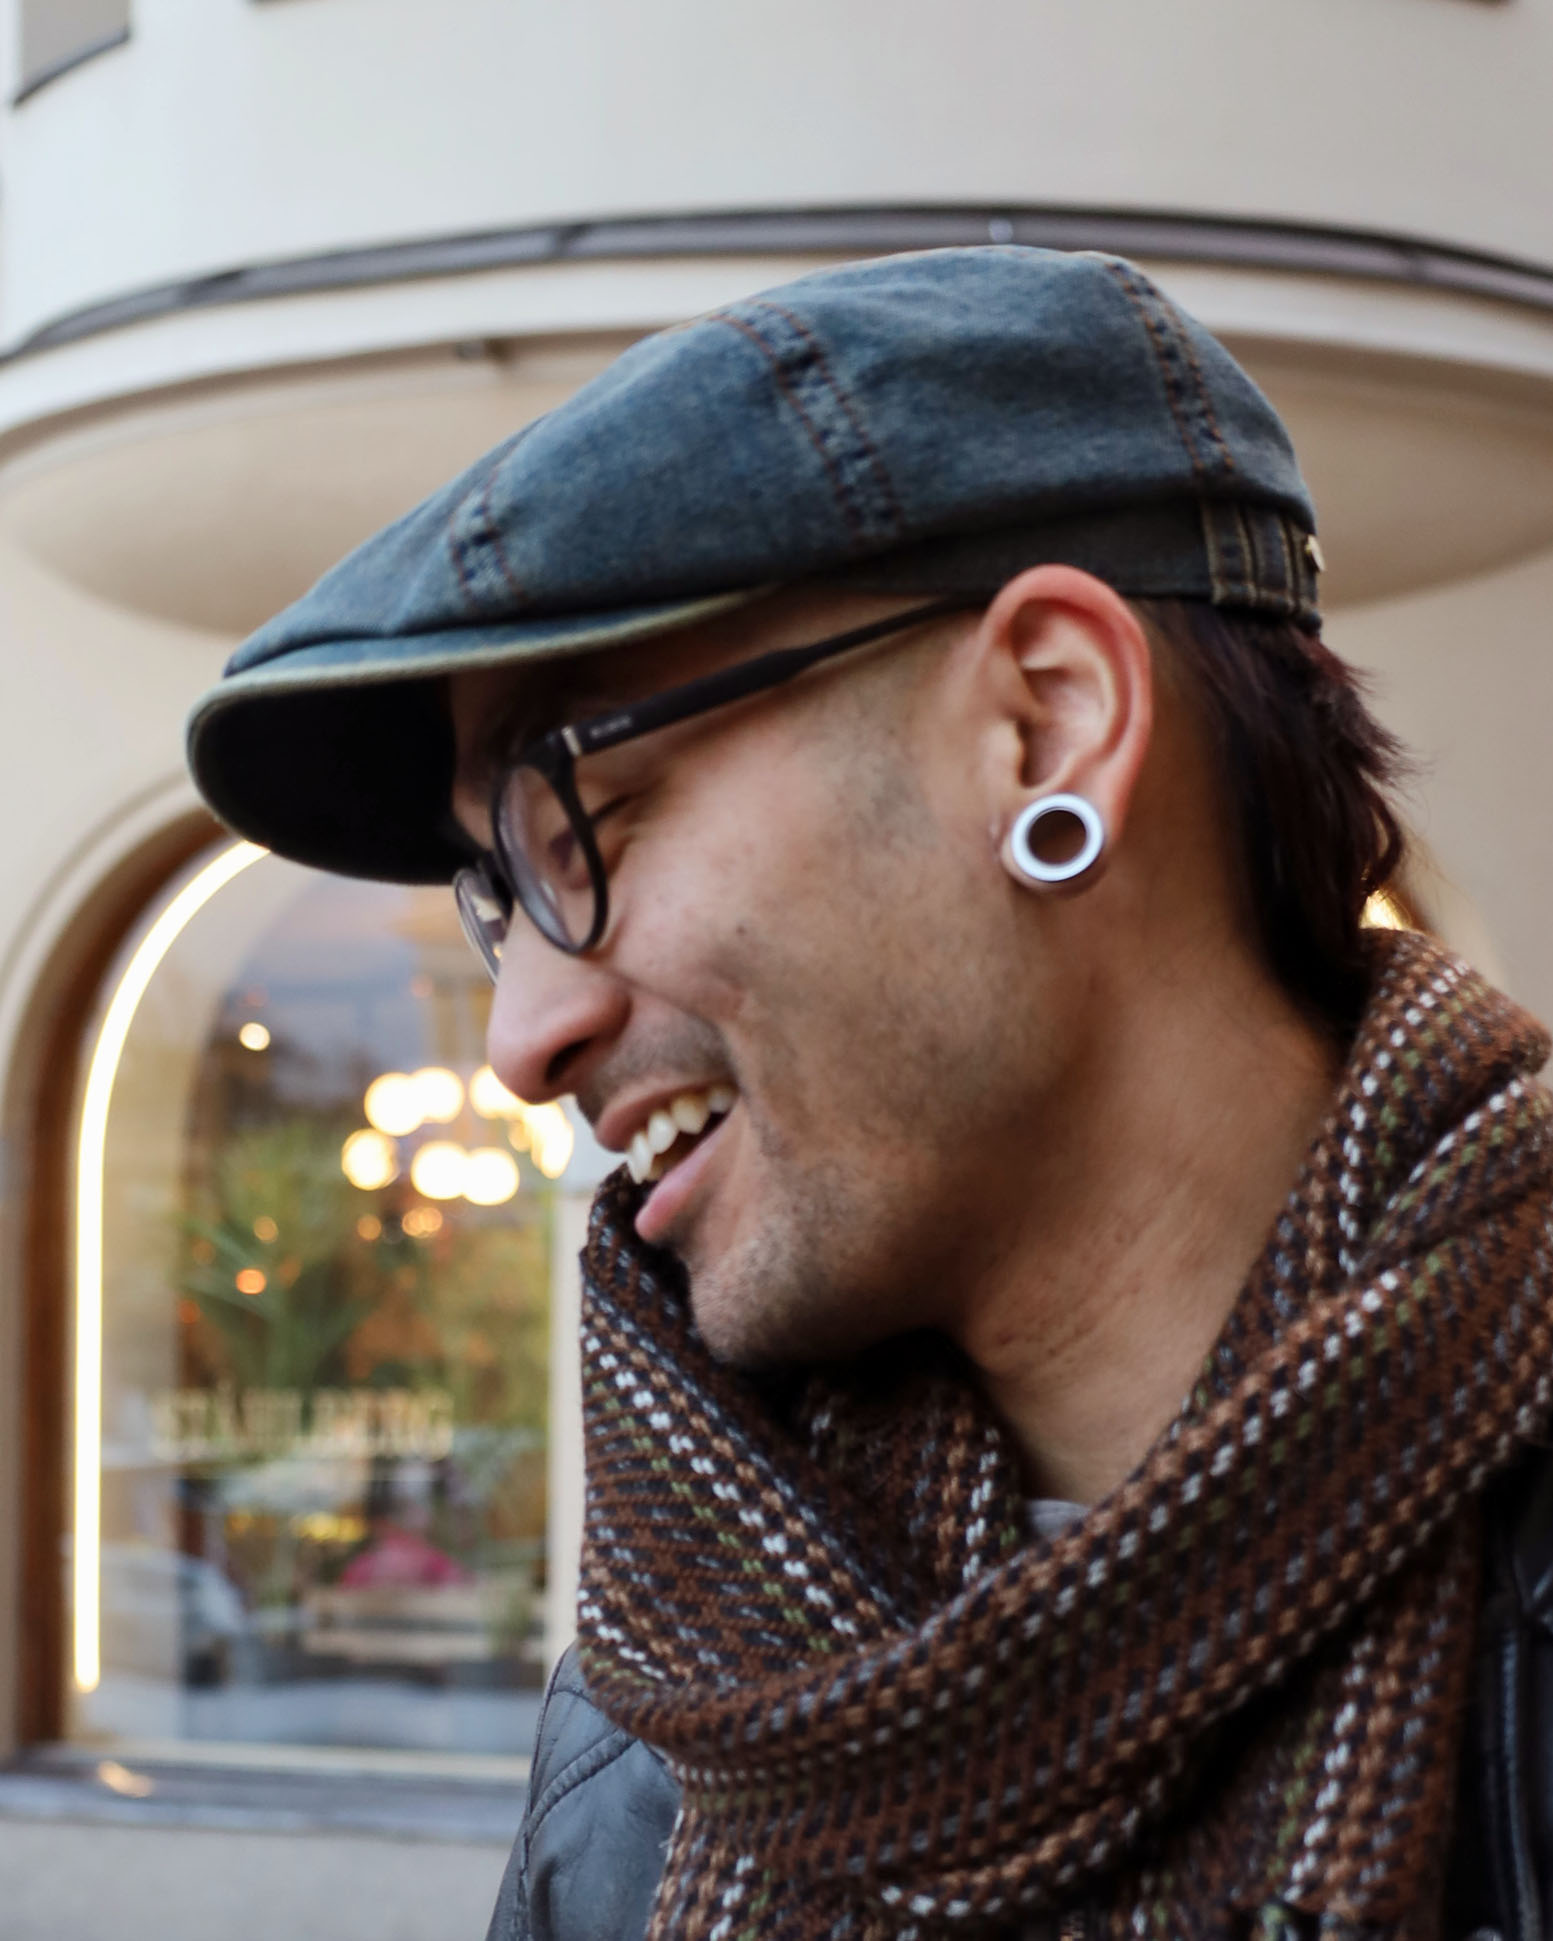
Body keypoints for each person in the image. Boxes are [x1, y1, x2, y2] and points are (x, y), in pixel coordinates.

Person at [188, 248, 1553, 1941]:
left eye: (585, 815)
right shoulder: (670, 1727)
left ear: (1045, 727)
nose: (519, 1038)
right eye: (495, 895)